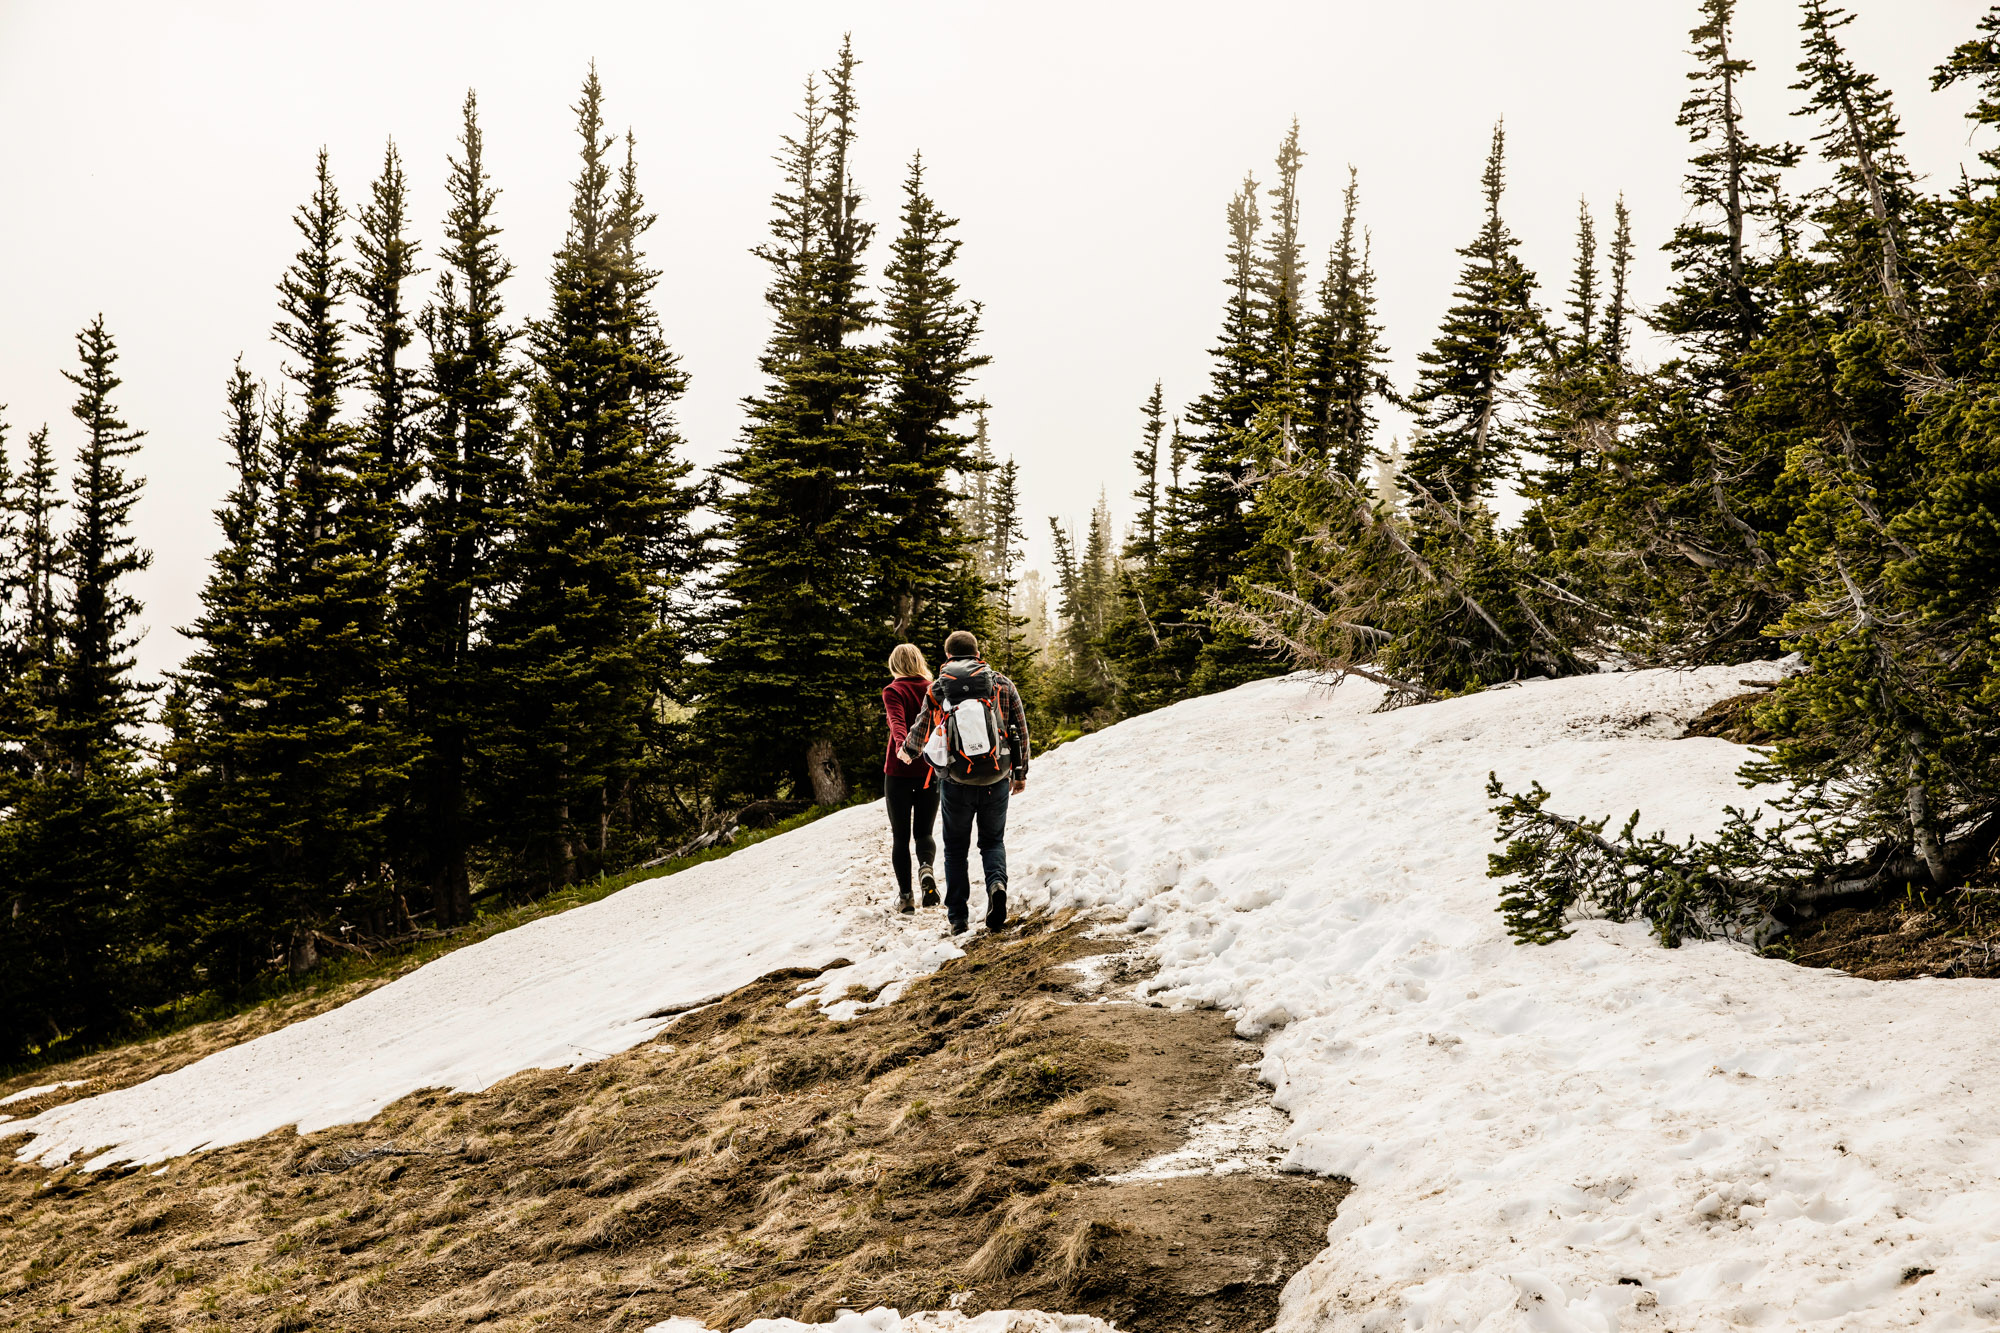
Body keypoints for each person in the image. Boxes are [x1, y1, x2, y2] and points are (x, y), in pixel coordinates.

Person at [895, 629, 1031, 934]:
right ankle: (996, 886)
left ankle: (958, 917)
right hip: (997, 776)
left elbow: (921, 728)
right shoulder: (1001, 683)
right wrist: (1020, 774)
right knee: (992, 841)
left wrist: (907, 752)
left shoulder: (940, 687)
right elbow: (1020, 727)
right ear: (978, 653)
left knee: (955, 849)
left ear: (947, 656)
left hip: (957, 781)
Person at [881, 643, 940, 915]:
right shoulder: (934, 687)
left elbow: (897, 722)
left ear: (895, 664)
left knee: (900, 836)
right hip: (930, 770)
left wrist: (902, 748)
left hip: (899, 772)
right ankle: (926, 869)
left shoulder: (894, 690)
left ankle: (906, 898)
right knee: (925, 833)